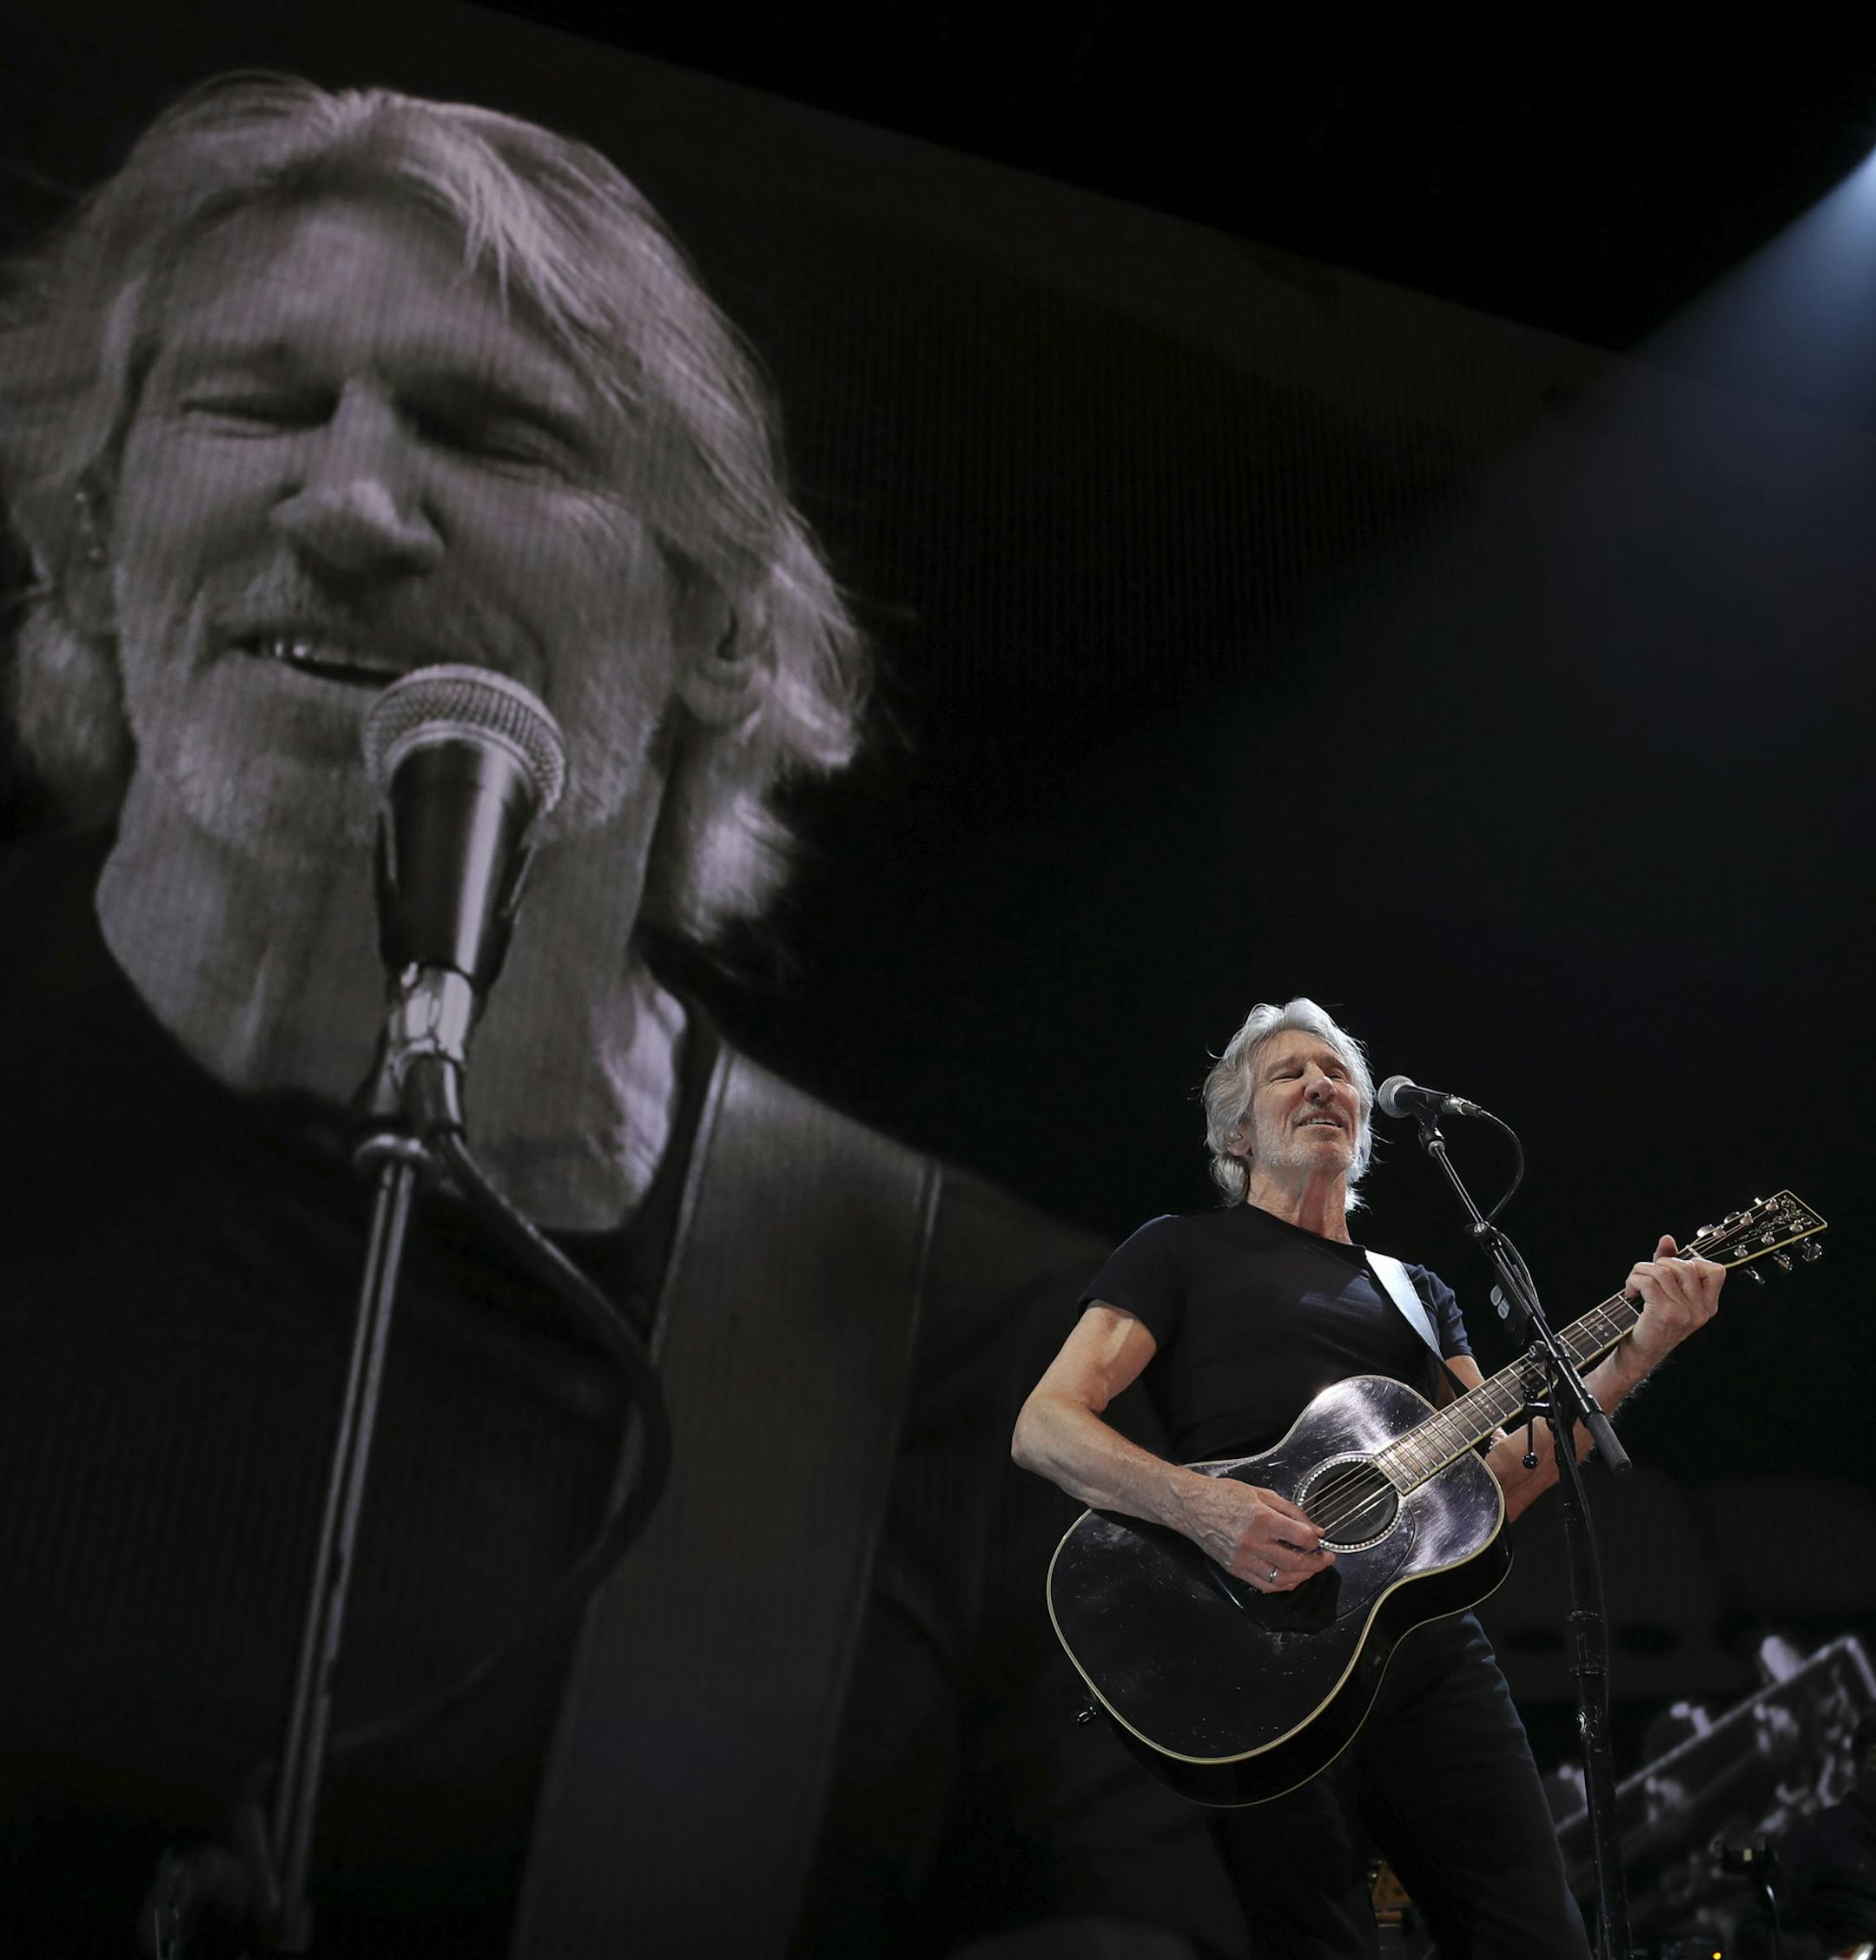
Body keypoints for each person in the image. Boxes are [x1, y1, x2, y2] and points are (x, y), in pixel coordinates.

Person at [0, 75, 1246, 1958]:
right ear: (94, 547)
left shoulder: (965, 1347)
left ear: (721, 635)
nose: (342, 502)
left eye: (491, 431)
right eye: (254, 403)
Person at [1011, 997, 1727, 1958]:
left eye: (1338, 1071)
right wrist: (1208, 1507)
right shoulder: (1179, 1250)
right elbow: (1044, 1426)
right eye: (1289, 1073)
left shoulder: (1417, 1289)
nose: (1322, 1085)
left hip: (1426, 1649)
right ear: (1237, 1127)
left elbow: (1500, 1481)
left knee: (1542, 1937)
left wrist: (1639, 1352)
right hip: (1250, 1649)